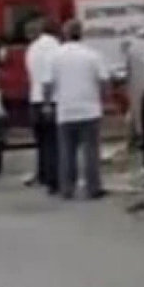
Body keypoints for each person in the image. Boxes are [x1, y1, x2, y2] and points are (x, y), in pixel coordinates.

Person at [46, 19, 110, 200]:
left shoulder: (55, 56)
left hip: (65, 111)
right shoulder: (93, 55)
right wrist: (104, 99)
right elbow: (105, 81)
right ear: (81, 34)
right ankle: (93, 188)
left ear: (65, 34)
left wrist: (48, 103)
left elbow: (48, 84)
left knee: (66, 152)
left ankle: (67, 188)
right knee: (91, 152)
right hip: (90, 109)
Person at [24, 17, 61, 194]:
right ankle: (54, 178)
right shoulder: (53, 46)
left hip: (35, 100)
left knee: (42, 142)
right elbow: (52, 75)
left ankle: (43, 174)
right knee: (53, 141)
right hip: (51, 99)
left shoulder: (32, 49)